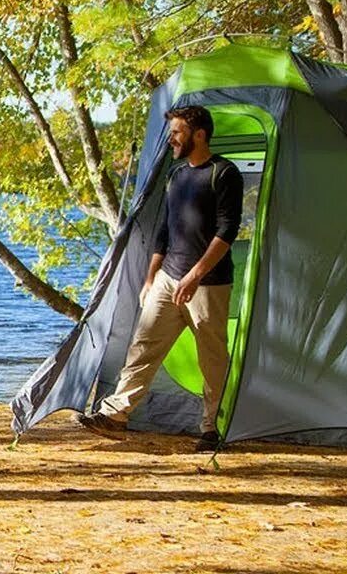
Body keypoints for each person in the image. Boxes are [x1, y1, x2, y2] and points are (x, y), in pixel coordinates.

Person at [77, 105, 243, 450]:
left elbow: (227, 231)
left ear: (199, 135)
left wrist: (196, 276)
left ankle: (212, 429)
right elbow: (165, 232)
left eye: (178, 132)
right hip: (168, 280)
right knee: (144, 346)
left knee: (211, 358)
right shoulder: (177, 176)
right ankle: (116, 415)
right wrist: (152, 277)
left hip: (208, 285)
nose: (172, 140)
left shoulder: (224, 173)